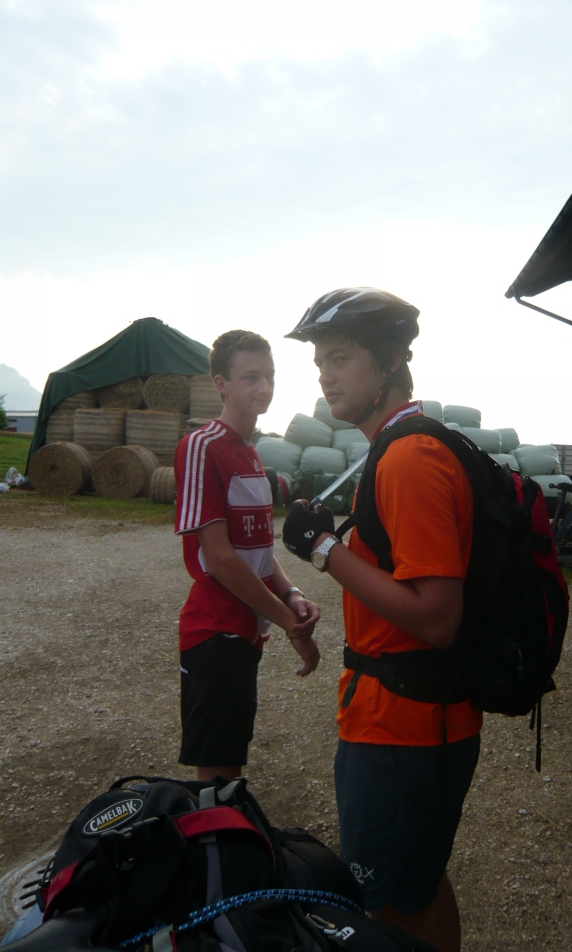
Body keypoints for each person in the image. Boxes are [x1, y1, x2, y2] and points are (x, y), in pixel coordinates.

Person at [281, 289, 481, 952]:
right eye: (320, 363)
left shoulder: (409, 458)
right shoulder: (397, 447)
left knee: (387, 910)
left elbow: (437, 617)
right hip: (416, 717)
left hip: (402, 728)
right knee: (420, 885)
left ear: (392, 361)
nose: (325, 376)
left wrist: (322, 549)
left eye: (341, 358)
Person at [175, 329, 321, 783]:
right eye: (251, 377)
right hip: (215, 631)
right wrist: (290, 624)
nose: (265, 387)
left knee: (231, 762)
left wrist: (293, 593)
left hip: (245, 632)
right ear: (220, 384)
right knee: (218, 778)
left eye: (270, 376)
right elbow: (220, 560)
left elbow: (257, 549)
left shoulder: (251, 453)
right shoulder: (202, 446)